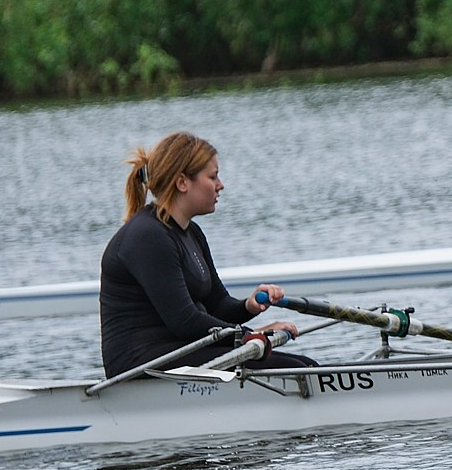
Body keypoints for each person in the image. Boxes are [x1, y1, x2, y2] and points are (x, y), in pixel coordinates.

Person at [99, 132, 314, 379]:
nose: (220, 185)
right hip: (140, 365)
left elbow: (217, 305)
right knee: (295, 370)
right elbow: (185, 321)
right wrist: (248, 335)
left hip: (177, 350)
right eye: (212, 177)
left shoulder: (191, 233)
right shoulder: (147, 236)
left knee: (301, 364)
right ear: (182, 182)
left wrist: (249, 305)